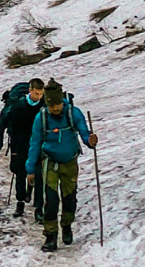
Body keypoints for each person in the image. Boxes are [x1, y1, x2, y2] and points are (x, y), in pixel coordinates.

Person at [25, 80, 98, 252]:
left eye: (58, 105)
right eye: (52, 106)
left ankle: (66, 226)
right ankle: (50, 236)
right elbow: (35, 143)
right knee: (50, 200)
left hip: (70, 162)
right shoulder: (41, 118)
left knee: (69, 198)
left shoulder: (73, 113)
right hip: (49, 162)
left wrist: (90, 140)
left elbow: (83, 131)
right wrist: (30, 169)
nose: (55, 109)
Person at [0, 77, 46, 219]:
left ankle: (38, 206)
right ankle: (20, 201)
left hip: (38, 142)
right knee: (20, 172)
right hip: (20, 142)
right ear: (30, 90)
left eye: (41, 93)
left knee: (39, 173)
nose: (39, 96)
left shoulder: (44, 106)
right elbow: (8, 122)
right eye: (36, 93)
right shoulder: (18, 105)